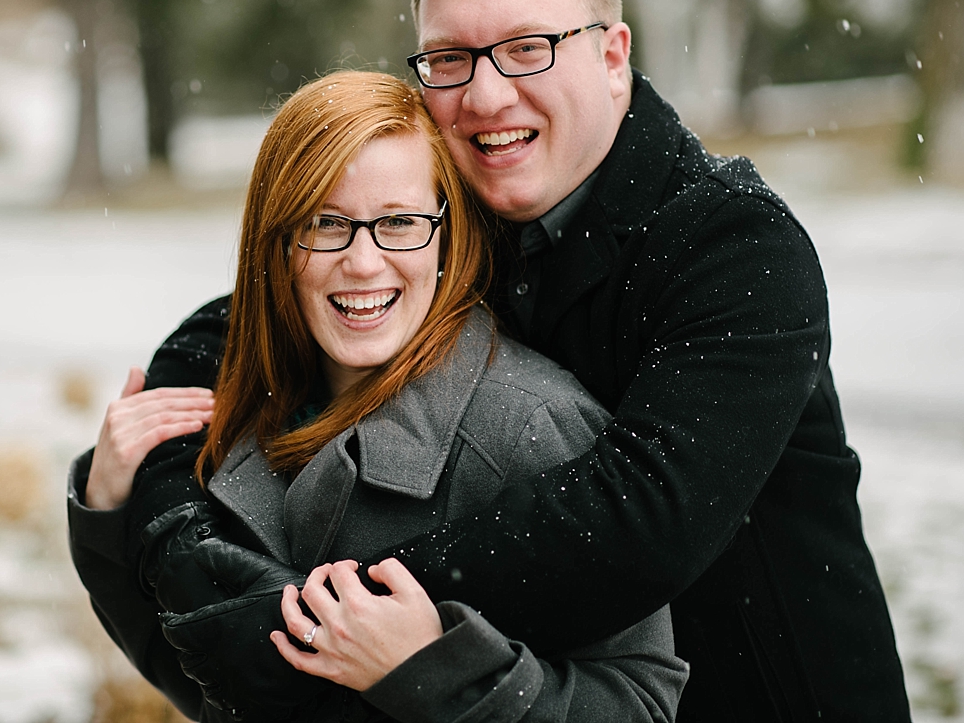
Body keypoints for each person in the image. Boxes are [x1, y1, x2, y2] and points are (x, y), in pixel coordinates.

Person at [72, 0, 911, 722]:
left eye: (527, 48)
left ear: (613, 55)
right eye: (450, 58)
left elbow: (645, 520)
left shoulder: (734, 244)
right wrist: (163, 512)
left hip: (778, 692)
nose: (486, 95)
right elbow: (259, 310)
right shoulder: (464, 208)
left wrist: (347, 616)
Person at [69, 70, 689, 722]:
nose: (363, 262)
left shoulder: (533, 426)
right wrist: (111, 511)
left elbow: (641, 704)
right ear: (277, 243)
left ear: (447, 233)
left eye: (399, 222)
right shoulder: (248, 410)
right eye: (326, 223)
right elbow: (204, 681)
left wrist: (430, 667)